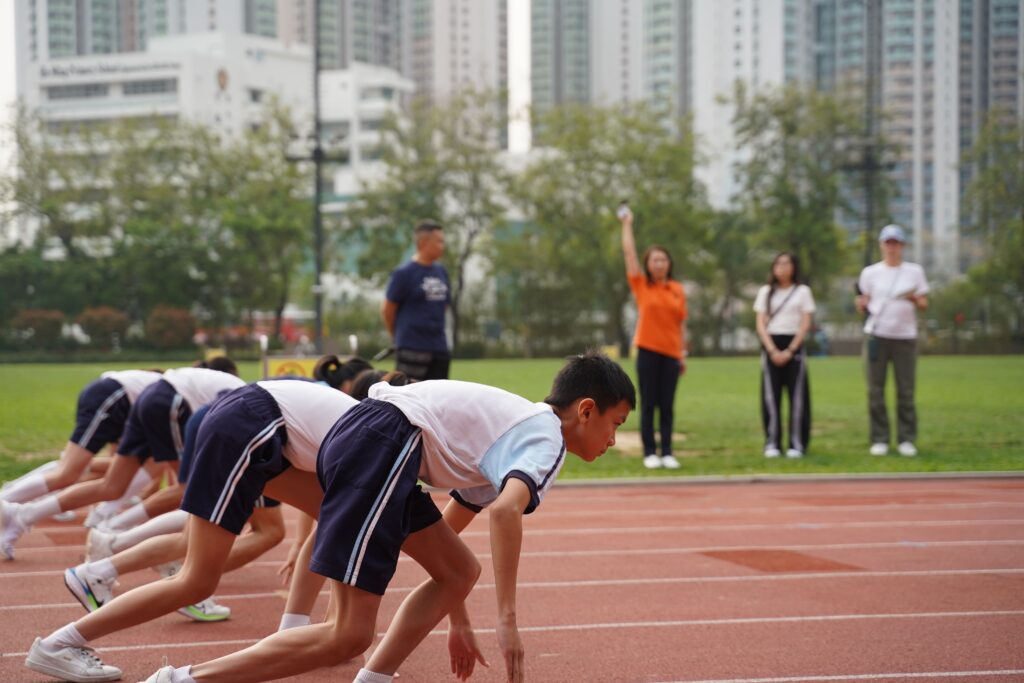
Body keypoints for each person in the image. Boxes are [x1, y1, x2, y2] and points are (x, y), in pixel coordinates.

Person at [138, 350, 635, 683]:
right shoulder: (545, 439)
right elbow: (506, 515)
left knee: (461, 570)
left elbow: (450, 541)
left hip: (377, 440)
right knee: (349, 634)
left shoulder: (512, 433)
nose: (612, 441)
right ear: (586, 410)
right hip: (384, 442)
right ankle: (184, 680)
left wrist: (457, 617)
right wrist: (507, 618)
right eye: (615, 425)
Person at [24, 378, 359, 683]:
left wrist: (302, 631)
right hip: (252, 423)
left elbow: (331, 527)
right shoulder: (381, 446)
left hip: (253, 421)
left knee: (205, 567)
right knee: (196, 579)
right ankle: (59, 643)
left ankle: (291, 631)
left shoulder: (379, 434)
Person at [0, 365, 244, 561]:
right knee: (188, 489)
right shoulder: (243, 395)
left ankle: (25, 514)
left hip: (150, 401)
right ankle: (113, 531)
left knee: (112, 486)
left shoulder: (233, 389)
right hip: (161, 401)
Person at [0, 369, 163, 506]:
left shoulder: (157, 391)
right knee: (67, 472)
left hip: (114, 401)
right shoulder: (165, 395)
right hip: (112, 398)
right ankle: (8, 500)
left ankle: (23, 495)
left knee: (103, 469)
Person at [618, 203, 687, 469]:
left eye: (663, 259)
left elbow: (681, 324)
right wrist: (627, 224)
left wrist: (683, 353)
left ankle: (667, 451)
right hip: (647, 350)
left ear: (669, 264)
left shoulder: (677, 289)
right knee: (648, 403)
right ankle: (650, 452)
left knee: (667, 405)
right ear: (648, 264)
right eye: (654, 259)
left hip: (671, 353)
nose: (659, 263)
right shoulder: (641, 285)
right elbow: (628, 253)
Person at [855, 224, 930, 457]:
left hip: (905, 337)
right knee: (875, 390)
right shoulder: (870, 273)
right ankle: (880, 439)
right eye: (888, 243)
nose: (892, 247)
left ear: (903, 246)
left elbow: (924, 304)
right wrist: (861, 304)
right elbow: (861, 304)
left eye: (896, 243)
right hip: (877, 335)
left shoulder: (914, 272)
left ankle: (906, 439)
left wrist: (912, 297)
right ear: (881, 245)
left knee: (905, 390)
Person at [753, 252, 816, 458]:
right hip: (772, 343)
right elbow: (760, 323)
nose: (782, 267)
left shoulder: (802, 291)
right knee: (771, 397)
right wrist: (771, 349)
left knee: (797, 398)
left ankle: (796, 443)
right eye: (778, 264)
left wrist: (791, 350)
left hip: (793, 344)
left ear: (794, 267)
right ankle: (772, 442)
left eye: (786, 263)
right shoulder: (766, 292)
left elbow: (805, 322)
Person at [381, 219, 452, 380]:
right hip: (412, 348)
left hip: (439, 347)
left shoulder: (441, 271)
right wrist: (397, 336)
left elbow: (445, 305)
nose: (443, 246)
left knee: (439, 397)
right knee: (408, 394)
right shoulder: (404, 273)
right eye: (439, 241)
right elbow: (387, 309)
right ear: (424, 242)